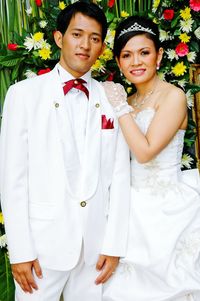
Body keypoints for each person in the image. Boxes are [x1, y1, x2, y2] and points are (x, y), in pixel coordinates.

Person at [0, 2, 130, 301]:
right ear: (59, 38)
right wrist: (20, 250)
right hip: (41, 250)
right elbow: (13, 178)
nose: (85, 45)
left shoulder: (112, 97)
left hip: (95, 251)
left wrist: (113, 245)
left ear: (102, 47)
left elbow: (120, 176)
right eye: (77, 34)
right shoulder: (23, 94)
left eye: (95, 38)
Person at [102, 15, 200, 301]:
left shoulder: (173, 96)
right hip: (129, 206)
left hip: (167, 207)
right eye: (127, 55)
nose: (136, 62)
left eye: (144, 52)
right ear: (119, 63)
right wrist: (122, 104)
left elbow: (144, 152)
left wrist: (118, 106)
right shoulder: (128, 100)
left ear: (158, 55)